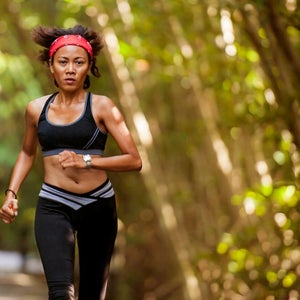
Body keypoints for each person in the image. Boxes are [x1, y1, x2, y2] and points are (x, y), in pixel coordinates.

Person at [0, 24, 142, 300]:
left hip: (98, 205)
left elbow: (134, 160)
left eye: (79, 62)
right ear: (51, 66)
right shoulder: (36, 109)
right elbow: (28, 153)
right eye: (63, 62)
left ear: (89, 66)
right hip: (54, 204)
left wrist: (87, 160)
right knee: (60, 293)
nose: (70, 69)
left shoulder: (102, 106)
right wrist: (11, 193)